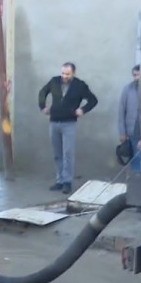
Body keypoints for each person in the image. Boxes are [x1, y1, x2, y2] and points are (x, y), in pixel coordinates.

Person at [37, 62, 98, 195]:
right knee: (57, 154)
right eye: (63, 73)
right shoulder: (54, 81)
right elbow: (42, 92)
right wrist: (43, 106)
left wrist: (83, 109)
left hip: (69, 123)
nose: (64, 76)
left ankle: (67, 182)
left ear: (73, 73)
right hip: (54, 122)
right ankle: (59, 180)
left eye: (67, 74)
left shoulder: (80, 85)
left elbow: (93, 100)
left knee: (68, 153)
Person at [117, 64, 141, 221]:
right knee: (136, 169)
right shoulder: (128, 89)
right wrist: (123, 132)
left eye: (138, 75)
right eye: (134, 75)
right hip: (133, 135)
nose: (136, 78)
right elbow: (122, 111)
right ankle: (140, 201)